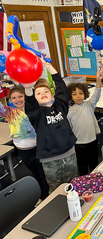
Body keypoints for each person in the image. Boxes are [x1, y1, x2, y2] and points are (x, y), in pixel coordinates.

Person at [23, 56, 78, 194]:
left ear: (52, 96)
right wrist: (29, 89)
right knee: (55, 187)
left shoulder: (60, 106)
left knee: (73, 184)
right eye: (38, 93)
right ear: (35, 98)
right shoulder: (37, 114)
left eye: (46, 91)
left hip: (69, 153)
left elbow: (62, 89)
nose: (43, 93)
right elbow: (29, 104)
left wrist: (48, 67)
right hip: (50, 159)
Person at [0, 86, 49, 200]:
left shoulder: (34, 110)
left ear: (26, 96)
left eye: (20, 96)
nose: (18, 100)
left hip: (39, 148)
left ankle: (48, 194)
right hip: (24, 150)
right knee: (35, 173)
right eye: (14, 98)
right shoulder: (10, 112)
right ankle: (42, 195)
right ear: (10, 100)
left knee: (43, 173)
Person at [67, 69, 102, 175]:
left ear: (85, 94)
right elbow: (68, 128)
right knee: (82, 166)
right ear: (70, 96)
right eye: (74, 94)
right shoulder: (69, 111)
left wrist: (98, 81)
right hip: (78, 144)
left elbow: (97, 94)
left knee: (94, 165)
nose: (78, 96)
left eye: (81, 93)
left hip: (92, 140)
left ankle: (95, 182)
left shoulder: (89, 105)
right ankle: (83, 184)